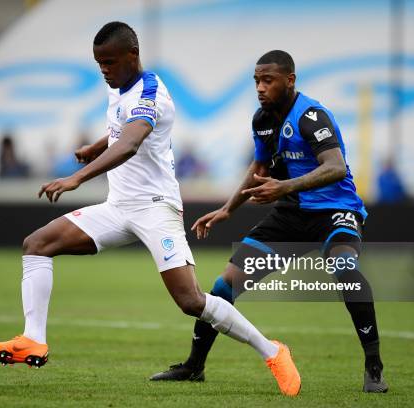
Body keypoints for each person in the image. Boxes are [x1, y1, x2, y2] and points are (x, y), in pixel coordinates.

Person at [0, 23, 301, 397]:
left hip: (155, 209)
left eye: (110, 62)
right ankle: (33, 340)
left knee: (191, 301)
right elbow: (122, 126)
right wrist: (97, 145)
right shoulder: (118, 85)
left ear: (132, 57)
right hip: (117, 208)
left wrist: (77, 177)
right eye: (99, 63)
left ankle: (273, 351)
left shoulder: (152, 93)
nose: (104, 69)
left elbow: (132, 142)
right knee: (36, 244)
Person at [149, 50, 388, 393]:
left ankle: (374, 366)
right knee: (223, 286)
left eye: (268, 80)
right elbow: (259, 169)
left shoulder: (311, 116)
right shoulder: (262, 119)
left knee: (345, 270)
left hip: (335, 212)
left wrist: (285, 186)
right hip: (290, 216)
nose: (260, 88)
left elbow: (335, 167)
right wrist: (228, 208)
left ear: (290, 80)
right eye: (256, 81)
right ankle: (194, 366)